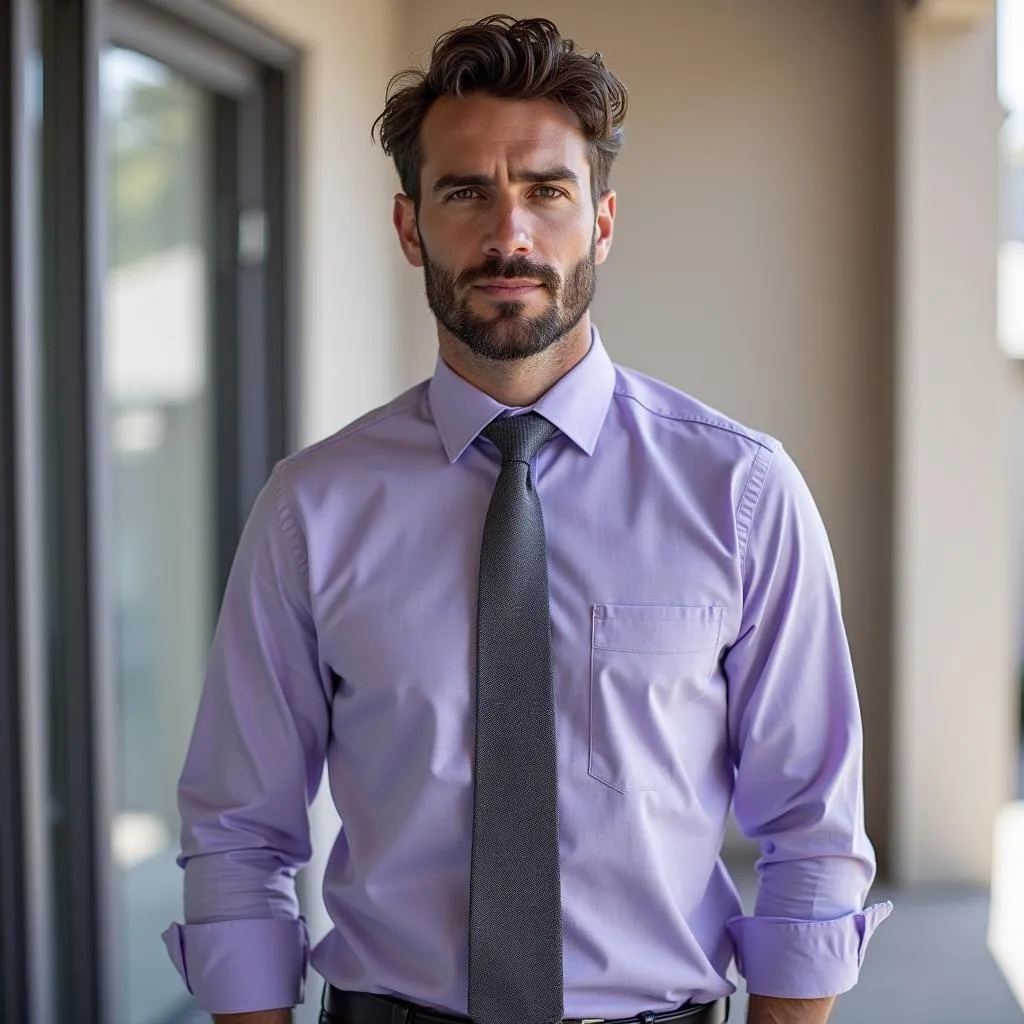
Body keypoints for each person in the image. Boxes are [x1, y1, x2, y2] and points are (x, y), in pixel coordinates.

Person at [162, 14, 891, 1024]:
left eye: (547, 190)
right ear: (410, 226)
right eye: (465, 192)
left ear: (601, 220)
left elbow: (812, 828)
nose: (509, 234)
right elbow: (240, 833)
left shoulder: (743, 495)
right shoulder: (310, 509)